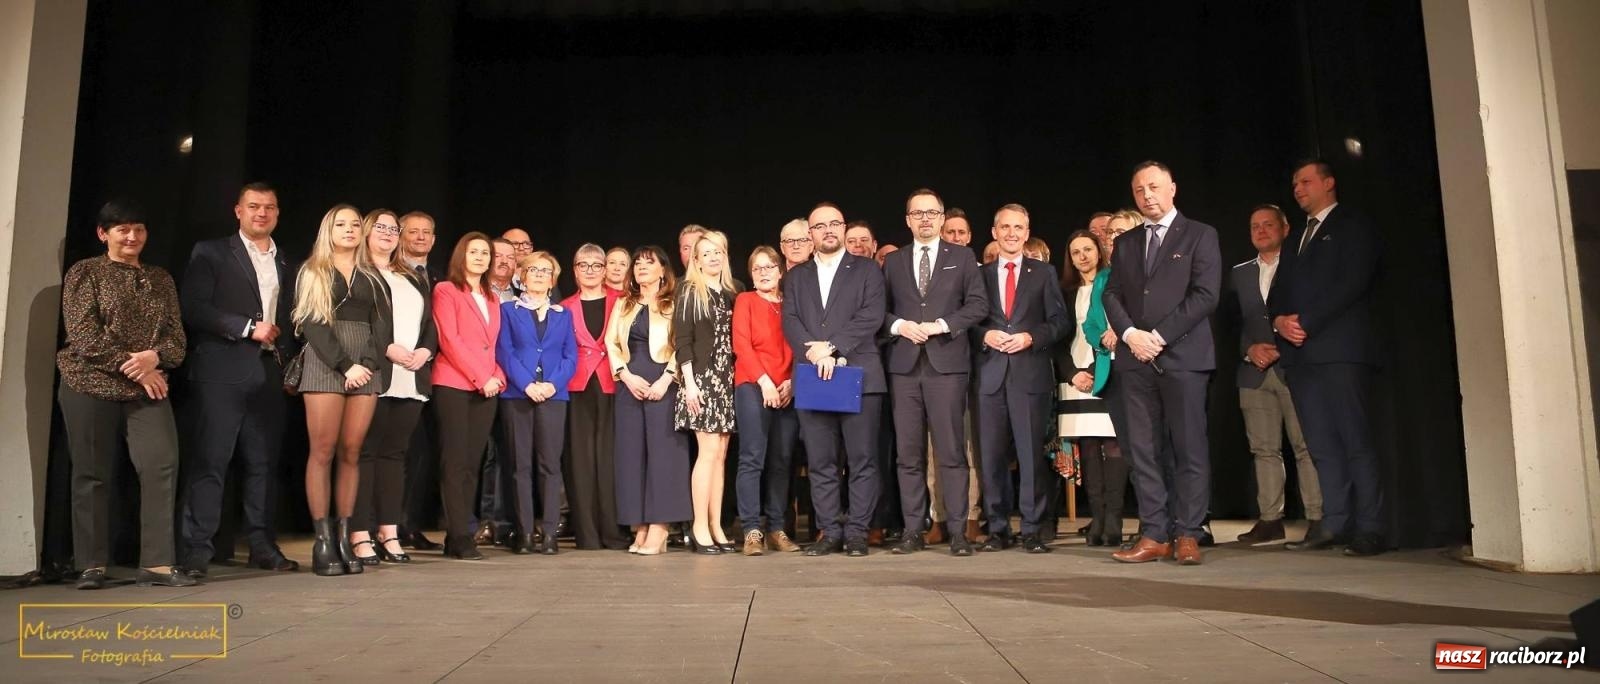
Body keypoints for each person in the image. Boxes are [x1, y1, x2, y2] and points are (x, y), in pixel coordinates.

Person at [58, 200, 195, 589]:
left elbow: (176, 339)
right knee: (92, 474)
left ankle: (157, 562)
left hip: (147, 386)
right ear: (104, 234)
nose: (132, 236)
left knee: (161, 464)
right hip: (91, 382)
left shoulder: (160, 278)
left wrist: (155, 357)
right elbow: (84, 335)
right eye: (122, 229)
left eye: (139, 229)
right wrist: (136, 366)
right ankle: (91, 564)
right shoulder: (86, 272)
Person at [178, 182, 300, 576]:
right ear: (238, 211)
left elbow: (292, 320)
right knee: (211, 461)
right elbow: (193, 307)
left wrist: (289, 364)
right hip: (220, 372)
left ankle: (262, 547)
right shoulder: (211, 252)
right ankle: (197, 550)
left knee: (263, 464)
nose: (261, 213)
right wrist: (247, 327)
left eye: (269, 207)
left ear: (277, 213)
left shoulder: (288, 261)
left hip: (269, 372)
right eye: (253, 206)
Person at [1104, 161, 1221, 566]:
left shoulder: (1201, 234)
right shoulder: (1126, 242)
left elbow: (1205, 295)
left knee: (1189, 448)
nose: (1147, 195)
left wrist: (1158, 336)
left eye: (1154, 187)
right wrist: (1130, 334)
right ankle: (1155, 534)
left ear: (1172, 188)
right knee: (1143, 451)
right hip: (1135, 359)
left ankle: (1188, 532)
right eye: (1139, 190)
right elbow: (1111, 294)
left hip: (1183, 357)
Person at [1273, 159, 1384, 556]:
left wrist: (1307, 322)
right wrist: (1278, 321)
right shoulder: (1296, 237)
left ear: (1329, 182)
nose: (1298, 189)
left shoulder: (1353, 225)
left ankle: (1370, 527)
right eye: (1294, 183)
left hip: (1340, 351)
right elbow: (1279, 290)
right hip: (1301, 358)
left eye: (1305, 181)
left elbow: (1353, 281)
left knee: (1356, 441)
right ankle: (1334, 523)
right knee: (1321, 445)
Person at [881, 188, 988, 556]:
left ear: (942, 218)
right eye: (918, 213)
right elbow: (879, 310)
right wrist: (899, 326)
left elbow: (978, 305)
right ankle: (913, 529)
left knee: (951, 452)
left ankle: (958, 531)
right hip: (904, 368)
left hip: (947, 366)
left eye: (931, 213)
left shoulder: (962, 257)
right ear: (908, 220)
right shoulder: (894, 262)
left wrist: (942, 325)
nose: (925, 219)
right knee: (908, 454)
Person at [782, 202, 887, 557]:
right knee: (821, 461)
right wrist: (815, 353)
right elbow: (791, 320)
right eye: (819, 226)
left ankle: (857, 532)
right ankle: (829, 531)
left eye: (834, 224)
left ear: (843, 228)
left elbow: (871, 316)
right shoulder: (796, 277)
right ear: (810, 234)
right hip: (815, 375)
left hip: (859, 375)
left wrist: (832, 347)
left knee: (862, 460)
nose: (828, 230)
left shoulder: (868, 270)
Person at [292, 205, 385, 576]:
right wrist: (346, 365)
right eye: (341, 224)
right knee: (323, 451)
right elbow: (312, 323)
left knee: (351, 451)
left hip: (366, 365)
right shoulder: (313, 270)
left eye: (354, 224)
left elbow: (383, 325)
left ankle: (345, 537)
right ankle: (323, 541)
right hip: (326, 361)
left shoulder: (372, 275)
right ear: (327, 231)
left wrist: (366, 363)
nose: (349, 230)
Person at [973, 204, 1070, 553]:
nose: (1012, 233)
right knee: (991, 457)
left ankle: (1032, 529)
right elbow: (967, 321)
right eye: (1005, 227)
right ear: (994, 232)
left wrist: (1031, 337)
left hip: (1030, 375)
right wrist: (985, 335)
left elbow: (1060, 322)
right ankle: (997, 529)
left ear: (1027, 234)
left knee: (1030, 458)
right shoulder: (979, 275)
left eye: (1018, 228)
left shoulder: (1043, 273)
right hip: (989, 377)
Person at [1229, 204, 1323, 546]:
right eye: (1255, 226)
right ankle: (1270, 520)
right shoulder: (1239, 273)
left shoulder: (1301, 265)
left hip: (1294, 366)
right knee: (1263, 450)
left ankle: (1318, 518)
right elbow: (1232, 323)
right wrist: (1248, 350)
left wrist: (1283, 346)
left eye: (1268, 224)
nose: (1261, 230)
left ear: (1285, 229)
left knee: (1305, 446)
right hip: (1253, 372)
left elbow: (1313, 311)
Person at [354, 209, 436, 565]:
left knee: (394, 455)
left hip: (410, 376)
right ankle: (359, 532)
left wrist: (426, 351)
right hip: (374, 373)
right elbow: (354, 324)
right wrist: (385, 348)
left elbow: (429, 323)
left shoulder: (411, 276)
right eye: (381, 227)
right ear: (366, 232)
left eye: (393, 228)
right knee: (365, 454)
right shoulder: (356, 273)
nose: (388, 233)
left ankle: (389, 532)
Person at [608, 245, 690, 556]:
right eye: (637, 263)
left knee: (664, 455)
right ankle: (640, 524)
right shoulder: (624, 303)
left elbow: (682, 344)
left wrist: (667, 379)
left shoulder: (674, 302)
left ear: (663, 270)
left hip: (664, 382)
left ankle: (660, 526)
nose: (641, 267)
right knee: (631, 456)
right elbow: (612, 343)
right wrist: (625, 376)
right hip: (630, 384)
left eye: (649, 262)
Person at [432, 233, 506, 560]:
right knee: (455, 462)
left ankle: (458, 534)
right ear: (461, 255)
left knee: (472, 463)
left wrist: (497, 376)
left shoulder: (491, 298)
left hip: (486, 387)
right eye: (473, 252)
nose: (479, 257)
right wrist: (481, 377)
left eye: (485, 253)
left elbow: (493, 345)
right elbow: (450, 340)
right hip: (454, 384)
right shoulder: (446, 290)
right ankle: (460, 535)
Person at [496, 251, 576, 554]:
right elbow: (504, 352)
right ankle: (525, 533)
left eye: (546, 271)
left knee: (550, 465)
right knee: (520, 466)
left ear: (553, 280)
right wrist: (527, 384)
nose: (540, 275)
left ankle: (550, 533)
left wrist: (552, 384)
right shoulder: (508, 310)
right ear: (523, 276)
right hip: (518, 394)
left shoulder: (563, 314)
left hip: (554, 396)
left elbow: (571, 356)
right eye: (534, 270)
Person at [1056, 229, 1125, 547]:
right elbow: (1059, 338)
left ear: (1099, 251)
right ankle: (1097, 519)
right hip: (1075, 378)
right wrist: (1073, 374)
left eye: (1087, 249)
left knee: (1113, 445)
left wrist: (1095, 372)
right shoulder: (1065, 292)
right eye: (1076, 252)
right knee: (1088, 448)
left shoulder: (1112, 284)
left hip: (1107, 371)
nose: (1082, 256)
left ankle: (1114, 520)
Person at [732, 246, 802, 555]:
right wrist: (765, 383)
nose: (763, 273)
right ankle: (751, 529)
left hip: (787, 387)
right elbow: (742, 345)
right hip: (752, 384)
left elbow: (801, 345)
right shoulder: (745, 301)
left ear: (780, 271)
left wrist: (791, 382)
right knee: (752, 457)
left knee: (782, 460)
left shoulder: (791, 304)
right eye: (757, 268)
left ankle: (776, 528)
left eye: (769, 267)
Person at [674, 230, 741, 553]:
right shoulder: (690, 291)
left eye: (718, 251)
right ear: (696, 261)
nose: (713, 257)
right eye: (706, 253)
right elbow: (682, 340)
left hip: (727, 378)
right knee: (708, 452)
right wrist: (689, 383)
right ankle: (699, 525)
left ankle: (716, 525)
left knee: (721, 455)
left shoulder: (731, 292)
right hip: (701, 379)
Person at [562, 244, 630, 550]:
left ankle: (614, 531)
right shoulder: (563, 307)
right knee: (581, 461)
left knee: (611, 459)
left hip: (614, 384)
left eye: (596, 265)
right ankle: (587, 534)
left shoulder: (623, 301)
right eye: (583, 265)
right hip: (578, 387)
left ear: (605, 270)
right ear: (575, 270)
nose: (590, 270)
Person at [396, 210, 443, 551]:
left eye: (426, 232)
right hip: (398, 369)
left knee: (422, 455)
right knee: (396, 451)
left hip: (433, 374)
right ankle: (387, 525)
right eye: (413, 231)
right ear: (400, 235)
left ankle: (409, 525)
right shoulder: (391, 273)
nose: (420, 237)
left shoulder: (440, 278)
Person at [473, 238, 519, 547]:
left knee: (511, 454)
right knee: (488, 454)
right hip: (484, 380)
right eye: (497, 255)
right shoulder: (476, 293)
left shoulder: (524, 294)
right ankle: (488, 520)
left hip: (518, 384)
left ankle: (511, 521)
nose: (503, 261)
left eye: (509, 257)